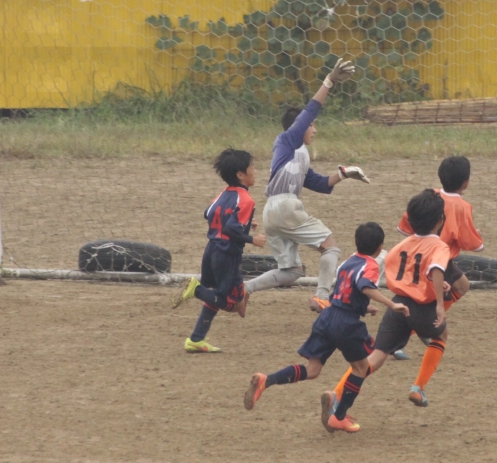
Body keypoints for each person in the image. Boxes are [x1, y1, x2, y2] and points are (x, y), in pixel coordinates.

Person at [243, 222, 409, 433]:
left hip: (328, 316)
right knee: (361, 369)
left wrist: (364, 308)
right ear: (380, 247)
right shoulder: (371, 265)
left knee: (312, 370)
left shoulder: (348, 262)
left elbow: (345, 291)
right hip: (346, 324)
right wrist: (391, 304)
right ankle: (338, 416)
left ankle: (266, 381)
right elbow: (365, 286)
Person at [244, 58, 371, 312]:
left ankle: (245, 288)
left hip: (272, 211)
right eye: (311, 125)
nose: (314, 129)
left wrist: (344, 174)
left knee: (292, 271)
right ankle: (322, 296)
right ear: (299, 126)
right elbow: (311, 109)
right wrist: (330, 80)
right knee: (331, 247)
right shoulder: (288, 139)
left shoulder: (298, 153)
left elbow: (319, 183)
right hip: (286, 207)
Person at [332, 190, 451, 410]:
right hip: (421, 308)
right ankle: (418, 387)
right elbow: (435, 269)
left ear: (410, 220)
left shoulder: (401, 245)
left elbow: (400, 267)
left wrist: (426, 282)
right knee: (441, 335)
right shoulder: (440, 246)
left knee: (375, 357)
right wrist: (439, 304)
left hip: (397, 305)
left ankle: (336, 393)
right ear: (440, 220)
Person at [171, 148, 267, 353]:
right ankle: (195, 289)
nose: (256, 171)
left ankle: (196, 339)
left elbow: (208, 213)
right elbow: (230, 229)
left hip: (211, 250)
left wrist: (244, 222)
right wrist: (252, 239)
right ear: (240, 174)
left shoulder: (224, 193)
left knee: (219, 297)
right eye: (252, 167)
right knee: (229, 303)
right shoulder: (247, 200)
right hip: (227, 255)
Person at [396, 155, 484, 309]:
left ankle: (427, 310)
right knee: (456, 288)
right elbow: (472, 245)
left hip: (417, 252)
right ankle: (430, 313)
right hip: (439, 258)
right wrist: (475, 235)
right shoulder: (462, 207)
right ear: (466, 182)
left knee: (460, 285)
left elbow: (404, 228)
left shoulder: (429, 196)